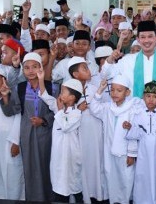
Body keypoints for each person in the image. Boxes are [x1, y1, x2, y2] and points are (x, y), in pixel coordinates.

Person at [102, 20, 156, 111]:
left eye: (150, 36)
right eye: (142, 37)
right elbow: (105, 75)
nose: (146, 41)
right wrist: (111, 58)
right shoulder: (127, 61)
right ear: (138, 39)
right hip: (133, 116)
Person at [90, 74, 141, 204]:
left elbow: (135, 133)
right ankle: (113, 201)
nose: (114, 93)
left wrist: (131, 154)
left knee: (126, 178)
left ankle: (124, 201)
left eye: (119, 90)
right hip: (109, 150)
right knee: (110, 175)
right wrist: (100, 90)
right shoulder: (108, 107)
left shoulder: (132, 109)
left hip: (125, 152)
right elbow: (94, 108)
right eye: (112, 90)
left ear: (127, 92)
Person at [38, 73, 84, 203]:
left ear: (72, 97)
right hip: (58, 157)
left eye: (63, 92)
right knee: (59, 186)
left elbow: (65, 125)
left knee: (74, 187)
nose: (60, 94)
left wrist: (58, 111)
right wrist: (41, 79)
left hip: (70, 158)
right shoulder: (59, 107)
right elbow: (45, 96)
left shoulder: (77, 113)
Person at [68, 57, 108, 203]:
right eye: (84, 69)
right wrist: (77, 109)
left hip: (96, 132)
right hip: (79, 135)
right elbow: (62, 113)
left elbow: (104, 108)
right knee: (82, 164)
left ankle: (97, 195)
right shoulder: (69, 90)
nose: (89, 71)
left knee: (97, 163)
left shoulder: (94, 88)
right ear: (75, 74)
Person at [125, 80, 156, 204]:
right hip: (143, 155)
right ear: (143, 97)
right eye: (148, 96)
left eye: (155, 97)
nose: (151, 100)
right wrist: (130, 128)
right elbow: (135, 136)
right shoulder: (138, 114)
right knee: (142, 177)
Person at [19, 53, 54, 201]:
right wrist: (4, 97)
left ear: (41, 67)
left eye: (35, 66)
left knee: (47, 167)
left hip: (46, 134)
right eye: (27, 67)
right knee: (30, 168)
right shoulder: (19, 88)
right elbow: (13, 112)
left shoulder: (52, 87)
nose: (31, 71)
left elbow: (57, 111)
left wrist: (44, 120)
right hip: (27, 134)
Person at [0, 67, 25, 200]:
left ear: (4, 81)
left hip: (10, 141)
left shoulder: (12, 94)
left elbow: (17, 118)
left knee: (13, 173)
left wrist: (15, 142)